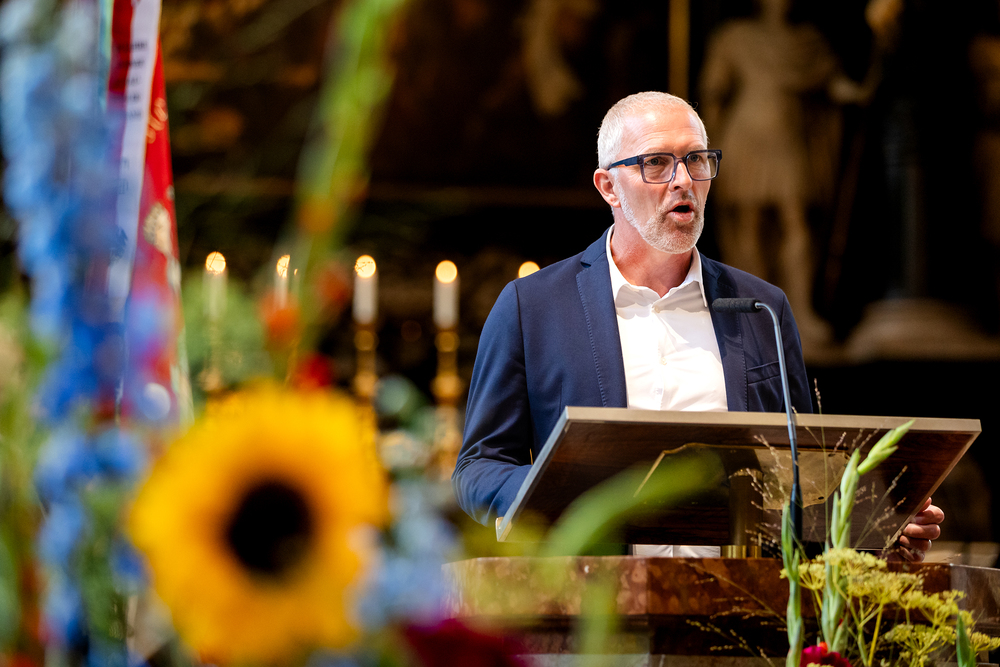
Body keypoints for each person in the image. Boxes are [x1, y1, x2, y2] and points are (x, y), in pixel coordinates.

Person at [452, 91, 942, 561]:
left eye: (697, 160)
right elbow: (478, 469)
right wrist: (558, 496)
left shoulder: (762, 308)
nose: (683, 179)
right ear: (608, 187)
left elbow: (806, 479)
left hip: (737, 601)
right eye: (656, 163)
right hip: (592, 605)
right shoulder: (533, 307)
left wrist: (880, 526)